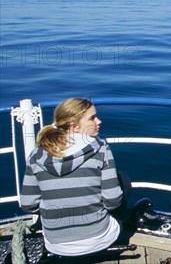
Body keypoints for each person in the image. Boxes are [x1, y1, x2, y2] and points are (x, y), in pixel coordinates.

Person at [20, 97, 125, 257]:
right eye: (92, 118)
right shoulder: (101, 149)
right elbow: (113, 201)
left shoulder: (36, 154)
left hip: (55, 244)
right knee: (124, 181)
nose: (99, 121)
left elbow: (28, 204)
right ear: (74, 127)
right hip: (99, 237)